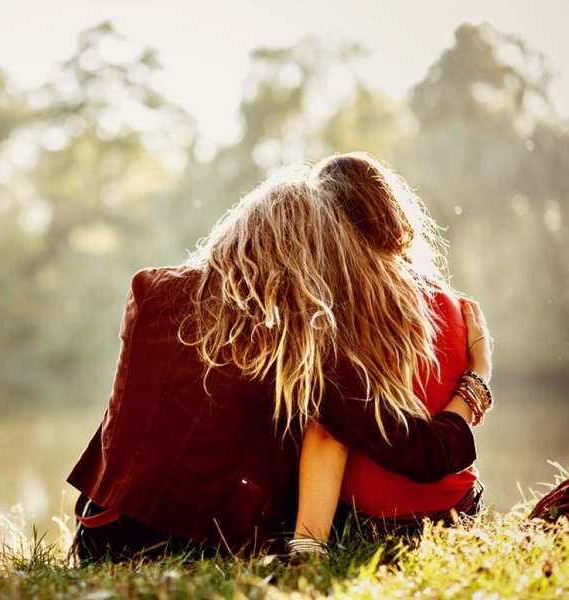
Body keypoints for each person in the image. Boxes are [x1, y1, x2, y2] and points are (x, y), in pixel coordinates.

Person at [67, 165, 492, 563]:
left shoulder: (150, 291)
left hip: (101, 533)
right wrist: (478, 378)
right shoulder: (302, 336)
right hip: (204, 545)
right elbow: (425, 455)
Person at [289, 152, 493, 554]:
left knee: (321, 415)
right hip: (457, 511)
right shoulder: (453, 305)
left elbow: (333, 432)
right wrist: (481, 374)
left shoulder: (336, 314)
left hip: (376, 527)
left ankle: (308, 543)